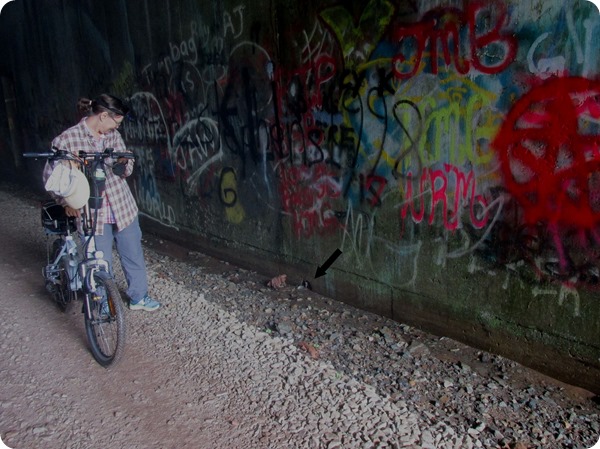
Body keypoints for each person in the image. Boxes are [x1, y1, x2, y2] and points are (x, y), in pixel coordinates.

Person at [43, 93, 160, 311]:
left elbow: (126, 167)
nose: (117, 128)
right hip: (91, 213)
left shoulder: (112, 136)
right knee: (99, 261)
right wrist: (65, 203)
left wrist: (125, 163)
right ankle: (104, 303)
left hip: (122, 206)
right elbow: (51, 178)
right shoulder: (66, 140)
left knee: (133, 253)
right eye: (116, 122)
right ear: (103, 116)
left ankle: (139, 296)